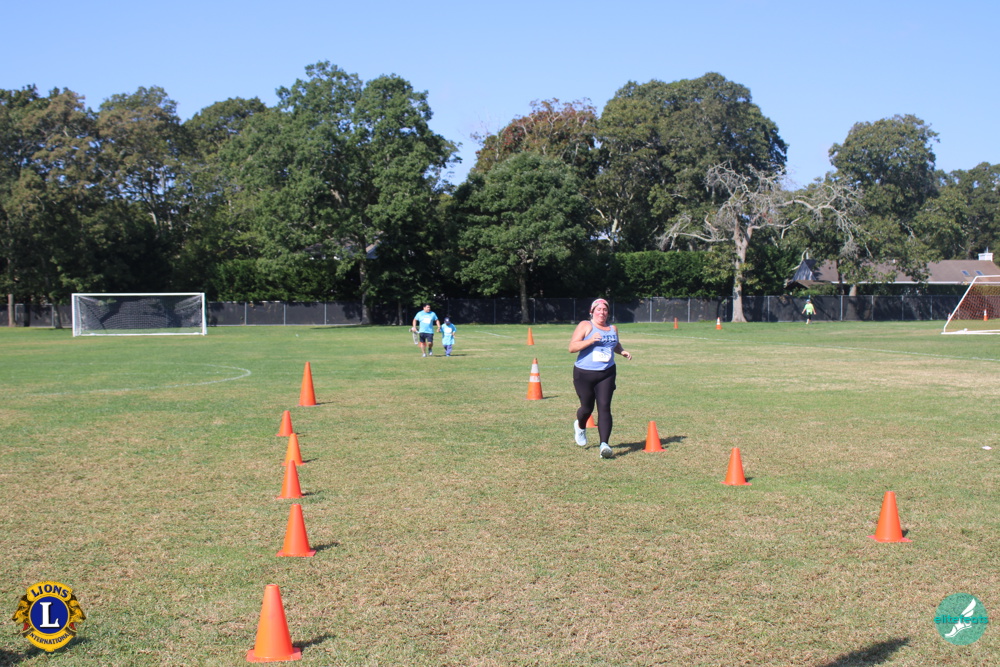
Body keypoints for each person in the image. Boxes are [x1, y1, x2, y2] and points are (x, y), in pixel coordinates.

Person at [569, 298, 632, 458]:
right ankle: (580, 426)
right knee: (586, 408)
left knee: (604, 407)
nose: (602, 312)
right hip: (584, 373)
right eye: (599, 309)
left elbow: (615, 344)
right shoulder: (585, 325)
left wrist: (622, 351)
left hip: (607, 372)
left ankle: (604, 445)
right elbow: (572, 347)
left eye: (605, 310)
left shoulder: (613, 328)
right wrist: (590, 340)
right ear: (592, 311)